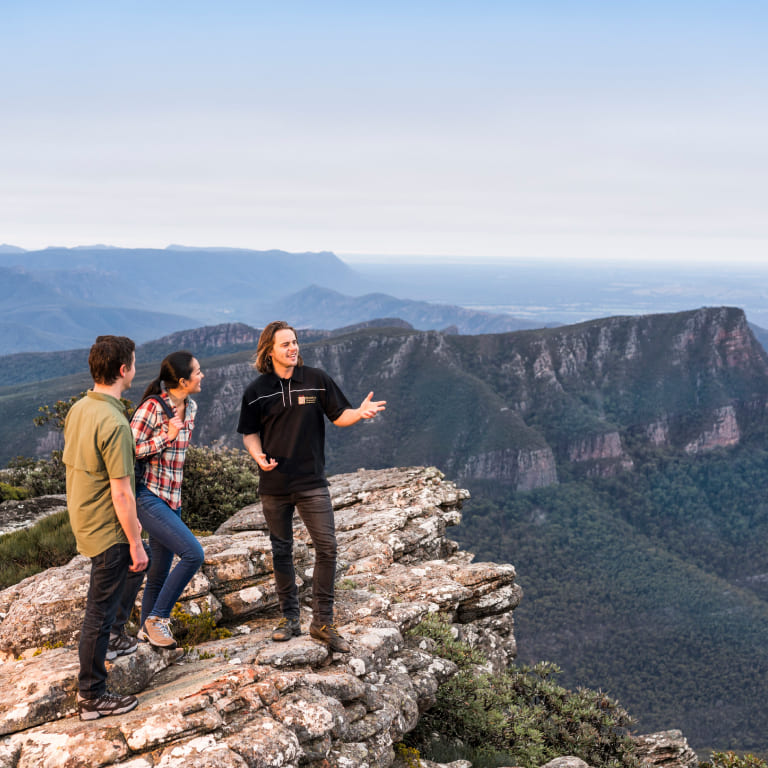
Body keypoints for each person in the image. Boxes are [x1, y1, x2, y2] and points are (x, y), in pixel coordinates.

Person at [237, 321, 386, 652]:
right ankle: (289, 619)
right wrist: (258, 455)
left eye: (295, 342)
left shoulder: (316, 380)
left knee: (327, 547)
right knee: (281, 550)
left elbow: (339, 415)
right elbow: (249, 432)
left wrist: (359, 413)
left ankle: (322, 622)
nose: (293, 348)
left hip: (311, 482)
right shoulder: (257, 390)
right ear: (270, 351)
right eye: (286, 344)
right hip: (273, 484)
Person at [63, 335, 149, 721]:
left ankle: (114, 637)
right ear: (123, 370)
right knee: (97, 612)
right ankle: (92, 695)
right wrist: (135, 542)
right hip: (108, 529)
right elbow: (121, 493)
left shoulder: (80, 408)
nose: (134, 367)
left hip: (84, 520)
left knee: (106, 602)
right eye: (132, 361)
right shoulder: (115, 422)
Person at [130, 351, 205, 650]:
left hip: (173, 499)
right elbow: (127, 449)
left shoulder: (192, 406)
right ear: (183, 381)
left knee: (159, 572)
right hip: (147, 496)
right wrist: (167, 435)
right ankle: (158, 618)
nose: (203, 375)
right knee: (193, 553)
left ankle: (145, 632)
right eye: (198, 372)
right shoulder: (152, 408)